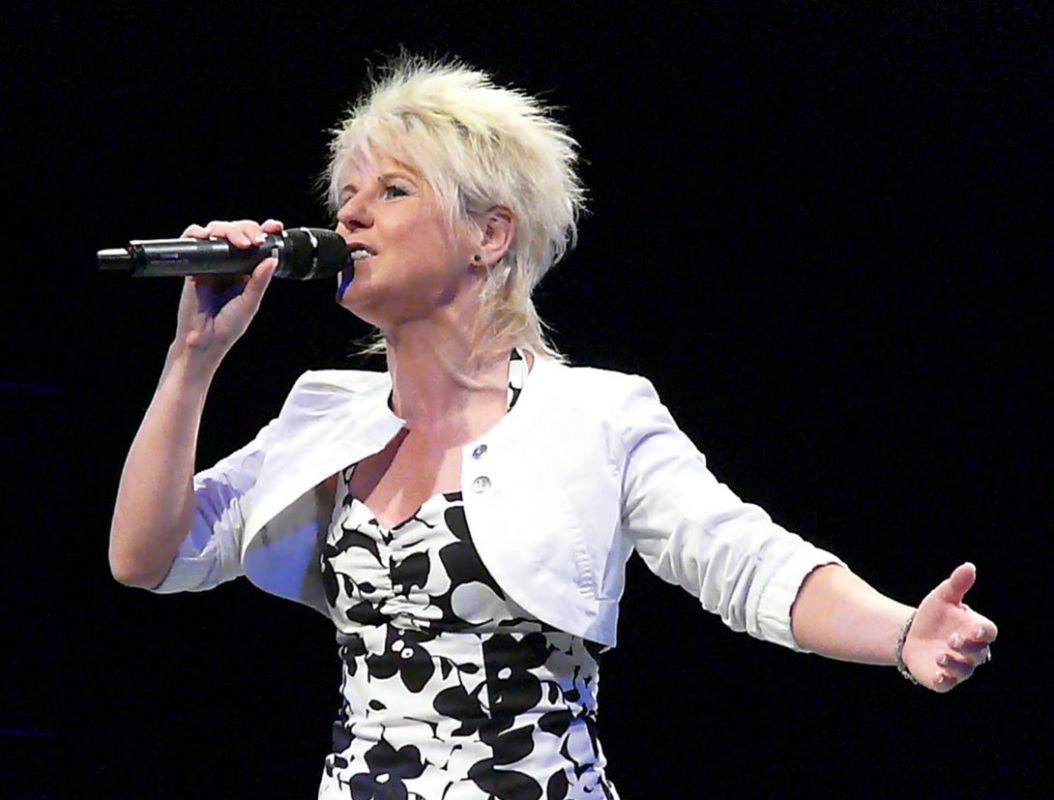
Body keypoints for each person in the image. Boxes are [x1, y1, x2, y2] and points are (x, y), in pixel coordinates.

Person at [109, 56, 997, 800]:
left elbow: (745, 558)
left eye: (391, 190)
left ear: (489, 236)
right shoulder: (321, 413)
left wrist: (899, 632)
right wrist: (194, 357)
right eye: (345, 194)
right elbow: (145, 558)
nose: (348, 217)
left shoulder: (597, 416)